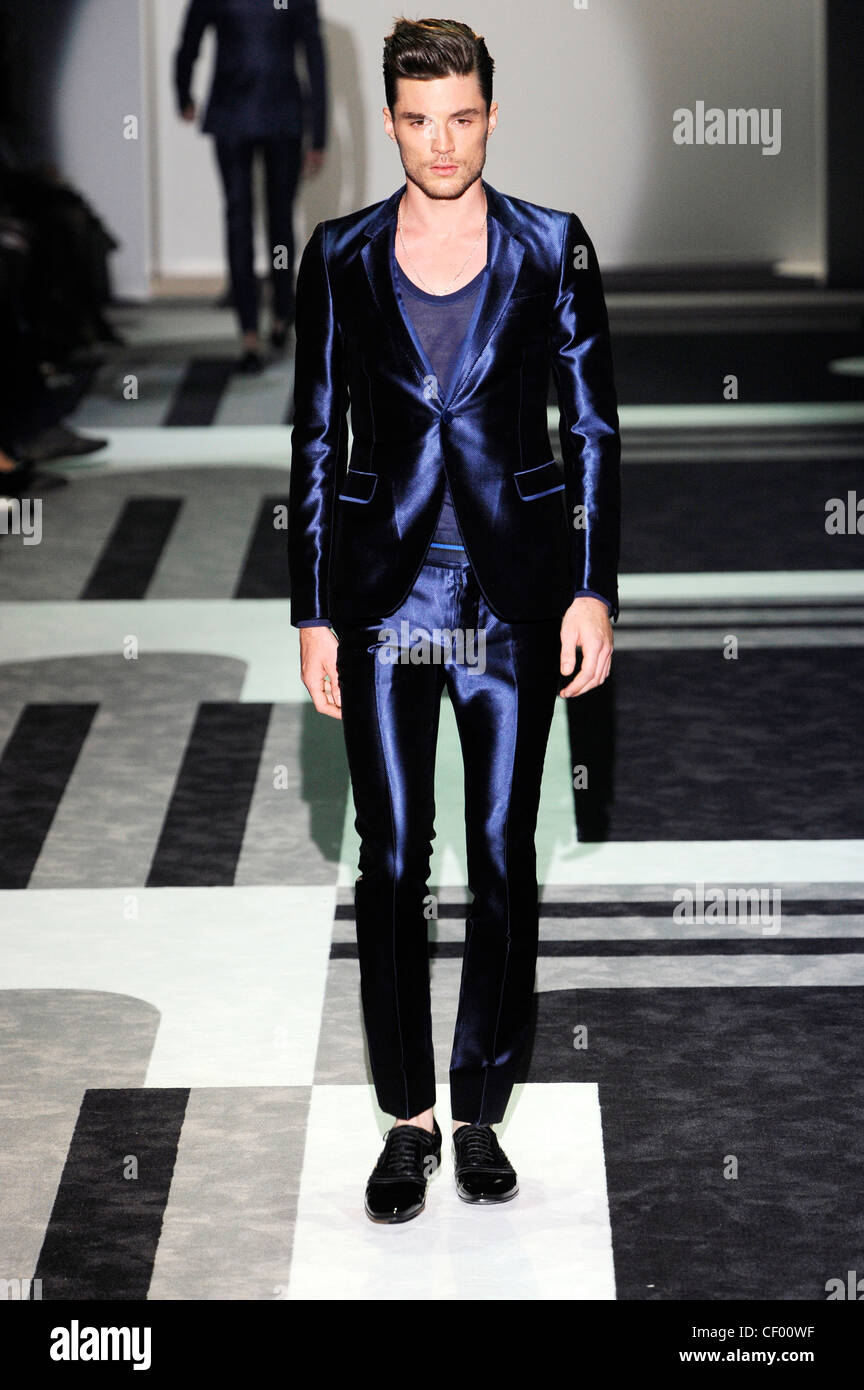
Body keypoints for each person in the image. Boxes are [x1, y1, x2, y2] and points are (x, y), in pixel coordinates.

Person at [288, 17, 620, 1223]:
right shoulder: (341, 253)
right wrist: (312, 612)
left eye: (462, 117)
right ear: (390, 122)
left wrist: (592, 589)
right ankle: (408, 1116)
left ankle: (479, 1106)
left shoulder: (550, 245)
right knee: (389, 856)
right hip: (385, 601)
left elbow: (594, 429)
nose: (442, 141)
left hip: (511, 595)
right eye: (420, 120)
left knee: (500, 850)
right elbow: (314, 436)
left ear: (490, 114)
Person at [174, 0, 328, 371]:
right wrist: (319, 132)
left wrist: (184, 93)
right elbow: (315, 58)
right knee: (263, 217)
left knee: (248, 218)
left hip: (252, 114)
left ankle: (262, 325)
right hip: (265, 114)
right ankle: (267, 321)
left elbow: (190, 42)